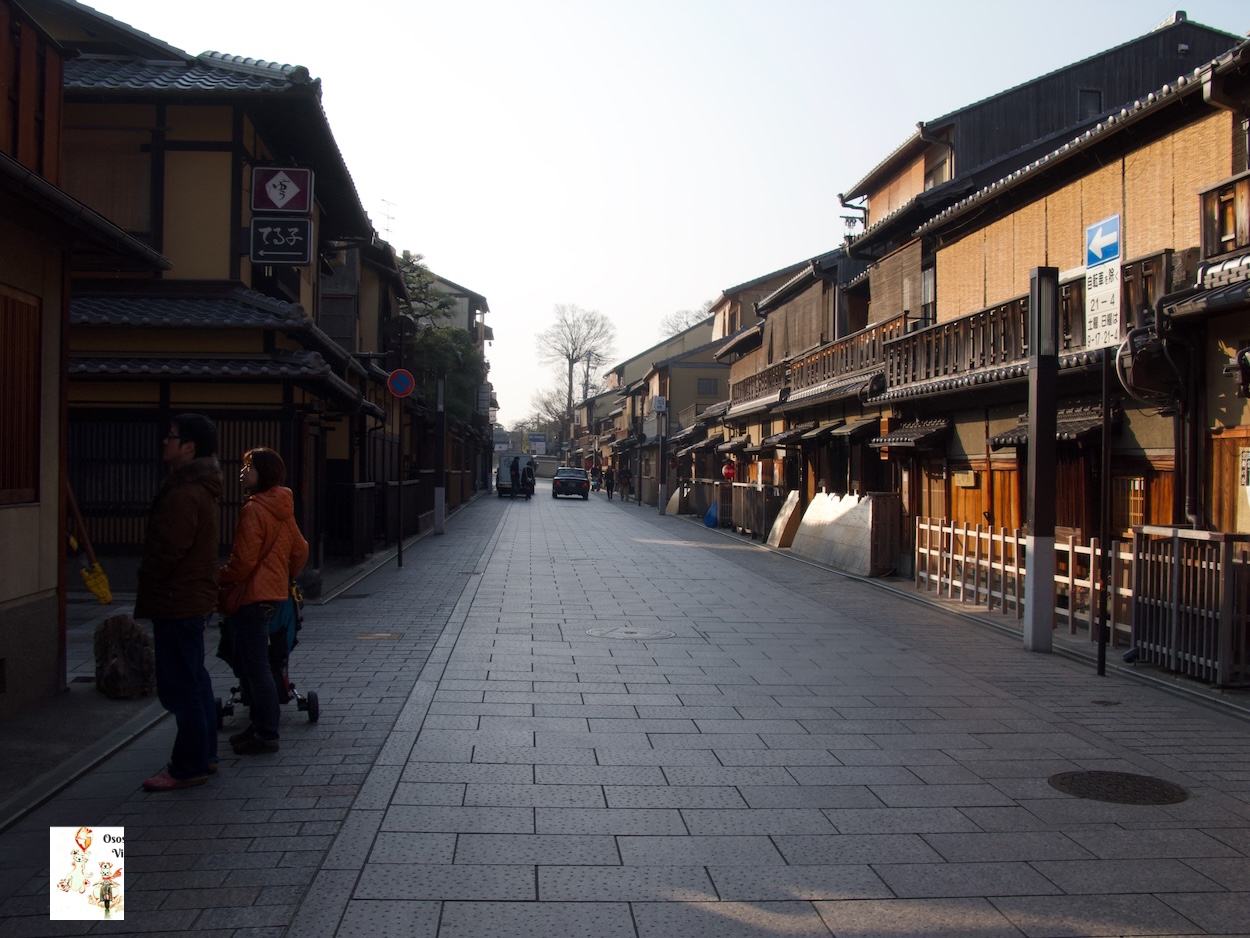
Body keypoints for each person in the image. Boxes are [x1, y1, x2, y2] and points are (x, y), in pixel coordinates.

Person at [135, 413, 223, 791]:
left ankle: (189, 765)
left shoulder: (184, 493)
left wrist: (149, 576)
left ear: (188, 447)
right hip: (192, 595)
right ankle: (205, 754)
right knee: (195, 679)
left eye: (171, 437)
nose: (165, 443)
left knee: (180, 685)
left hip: (177, 596)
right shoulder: (199, 488)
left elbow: (170, 548)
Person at [218, 447, 309, 756]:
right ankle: (257, 727)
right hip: (274, 595)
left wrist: (222, 577)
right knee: (258, 663)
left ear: (263, 473)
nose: (243, 471)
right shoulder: (282, 506)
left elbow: (243, 561)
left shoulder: (255, 509)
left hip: (253, 595)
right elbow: (300, 550)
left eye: (249, 466)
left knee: (254, 666)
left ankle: (267, 732)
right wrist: (284, 577)